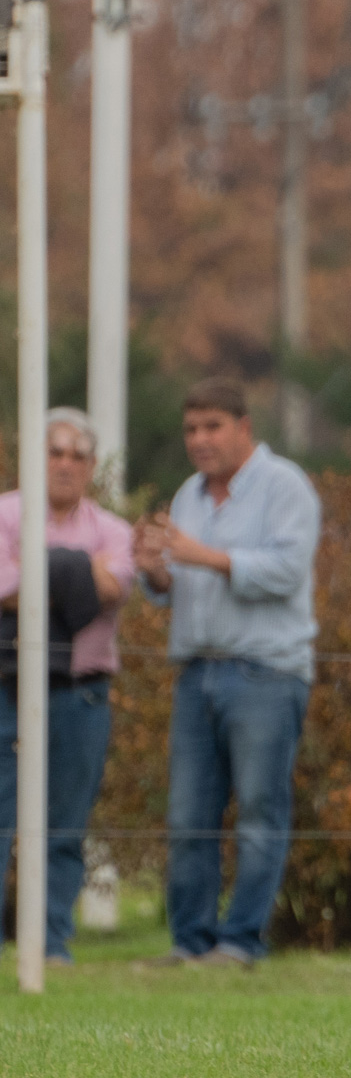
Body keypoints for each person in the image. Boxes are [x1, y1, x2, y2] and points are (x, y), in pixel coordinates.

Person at [132, 378, 320, 969]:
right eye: (190, 429)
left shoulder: (285, 486)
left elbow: (288, 571)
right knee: (188, 816)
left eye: (212, 426)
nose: (199, 440)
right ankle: (190, 941)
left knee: (261, 813)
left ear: (244, 427)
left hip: (266, 673)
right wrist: (155, 573)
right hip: (197, 673)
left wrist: (202, 556)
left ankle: (241, 942)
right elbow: (179, 584)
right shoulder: (188, 495)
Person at [0, 409, 133, 965]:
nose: (65, 464)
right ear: (37, 458)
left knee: (64, 826)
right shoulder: (5, 513)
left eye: (77, 455)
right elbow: (5, 590)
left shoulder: (115, 530)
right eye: (54, 451)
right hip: (6, 689)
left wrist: (38, 571)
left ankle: (51, 942)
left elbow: (115, 584)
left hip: (81, 693)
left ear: (92, 466)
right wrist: (79, 569)